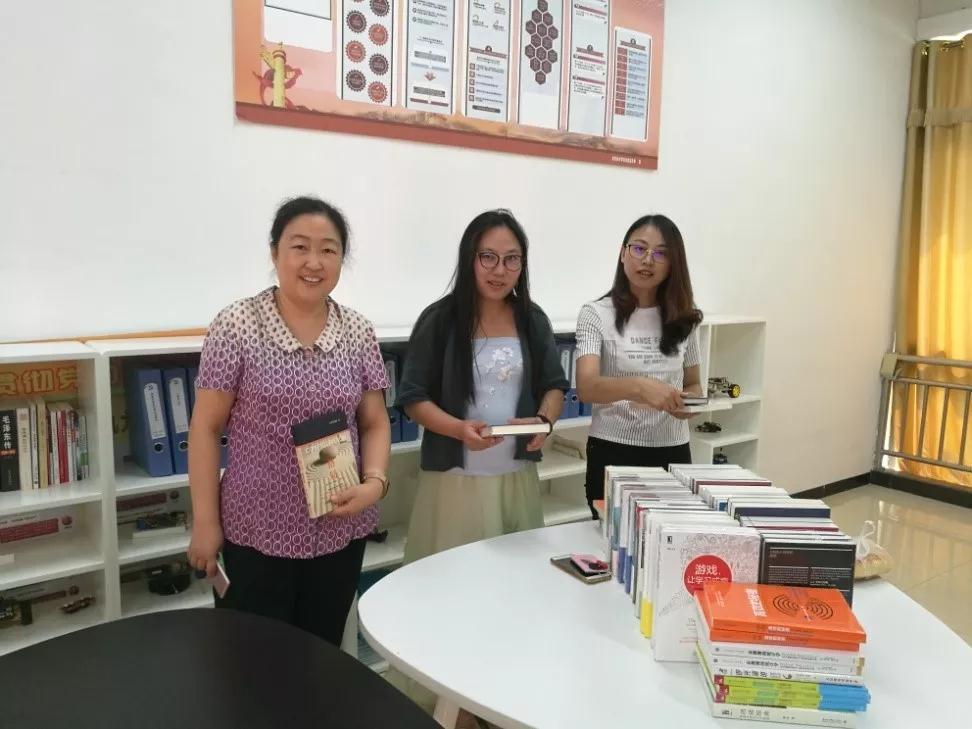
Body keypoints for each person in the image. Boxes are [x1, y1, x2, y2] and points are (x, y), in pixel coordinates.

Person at [186, 196, 391, 646]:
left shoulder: (358, 331)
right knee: (254, 658)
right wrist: (205, 522)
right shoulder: (237, 326)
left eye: (328, 249)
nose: (314, 262)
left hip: (340, 525)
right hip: (256, 529)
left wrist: (375, 483)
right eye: (300, 247)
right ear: (274, 252)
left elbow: (374, 421)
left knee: (320, 652)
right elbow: (205, 429)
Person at [397, 209, 568, 563]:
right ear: (469, 259)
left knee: (515, 574)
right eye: (488, 257)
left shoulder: (532, 319)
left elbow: (554, 385)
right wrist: (458, 430)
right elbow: (413, 397)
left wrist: (544, 421)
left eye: (511, 259)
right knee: (454, 577)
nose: (500, 270)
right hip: (454, 481)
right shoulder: (439, 319)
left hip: (515, 478)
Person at [575, 214, 703, 517]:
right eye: (639, 249)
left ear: (673, 264)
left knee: (669, 536)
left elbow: (694, 384)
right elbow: (586, 387)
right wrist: (640, 387)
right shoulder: (596, 314)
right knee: (610, 537)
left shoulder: (685, 319)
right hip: (612, 449)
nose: (647, 260)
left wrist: (688, 405)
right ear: (623, 253)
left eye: (661, 253)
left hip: (672, 449)